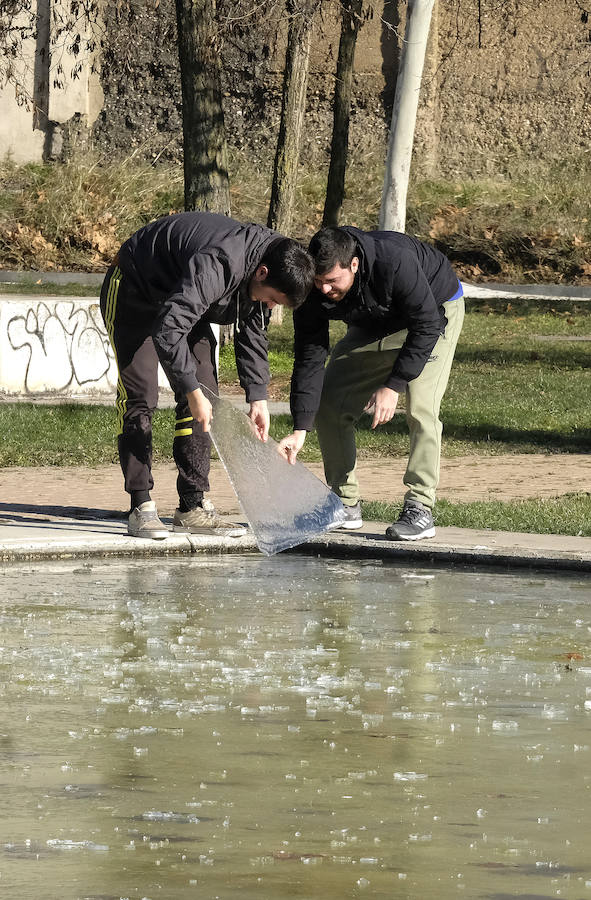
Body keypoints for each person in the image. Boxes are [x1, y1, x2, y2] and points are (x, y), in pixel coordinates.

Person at [100, 211, 314, 540]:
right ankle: (140, 505)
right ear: (261, 272)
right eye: (271, 299)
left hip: (182, 299)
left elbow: (252, 331)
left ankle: (192, 506)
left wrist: (258, 397)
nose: (270, 306)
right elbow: (169, 328)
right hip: (134, 288)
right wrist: (190, 391)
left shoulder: (271, 262)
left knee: (206, 395)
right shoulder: (221, 263)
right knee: (141, 396)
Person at [278, 225, 464, 541]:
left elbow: (427, 324)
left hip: (434, 313)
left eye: (332, 282)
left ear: (354, 265)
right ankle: (343, 503)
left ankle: (420, 507)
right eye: (319, 282)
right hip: (375, 319)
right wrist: (300, 428)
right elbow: (310, 357)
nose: (324, 290)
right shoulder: (313, 287)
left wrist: (394, 385)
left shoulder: (395, 261)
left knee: (421, 409)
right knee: (329, 404)